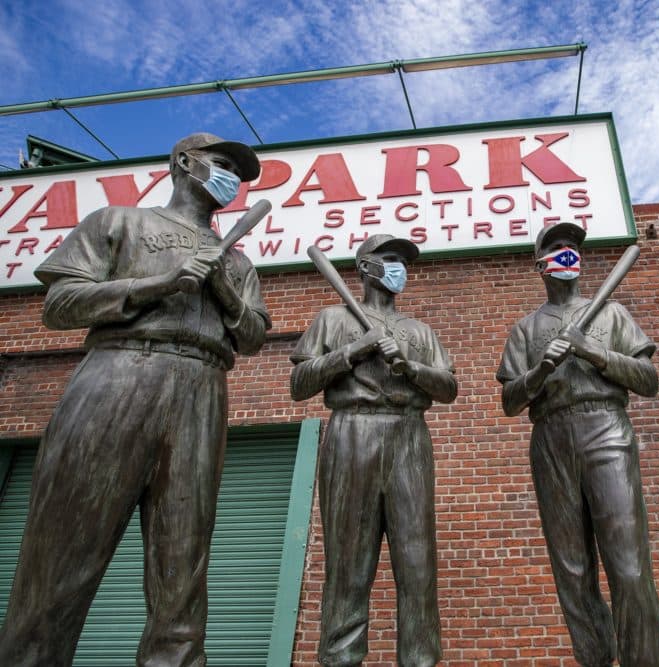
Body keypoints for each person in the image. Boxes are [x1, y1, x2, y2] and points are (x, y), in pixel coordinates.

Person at [0, 132, 271, 666]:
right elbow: (60, 305)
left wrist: (219, 287)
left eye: (238, 175)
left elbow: (255, 336)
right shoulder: (118, 222)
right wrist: (158, 284)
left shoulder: (237, 264)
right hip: (118, 372)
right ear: (183, 163)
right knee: (60, 560)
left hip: (202, 386)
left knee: (183, 572)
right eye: (221, 165)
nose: (231, 181)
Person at [496, 222, 659, 667]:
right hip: (551, 437)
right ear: (541, 264)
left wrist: (593, 352)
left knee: (629, 567)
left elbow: (648, 380)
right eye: (556, 249)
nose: (567, 254)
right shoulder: (525, 329)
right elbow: (509, 402)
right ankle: (595, 658)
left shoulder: (610, 314)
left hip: (606, 429)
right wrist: (539, 372)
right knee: (572, 571)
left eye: (572, 248)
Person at [290, 234, 457, 667]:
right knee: (348, 567)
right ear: (366, 268)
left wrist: (410, 366)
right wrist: (353, 351)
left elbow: (449, 388)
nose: (400, 267)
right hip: (353, 432)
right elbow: (299, 384)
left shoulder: (420, 331)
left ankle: (420, 659)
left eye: (404, 261)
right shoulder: (333, 318)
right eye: (391, 259)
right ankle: (341, 658)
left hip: (408, 436)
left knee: (418, 566)